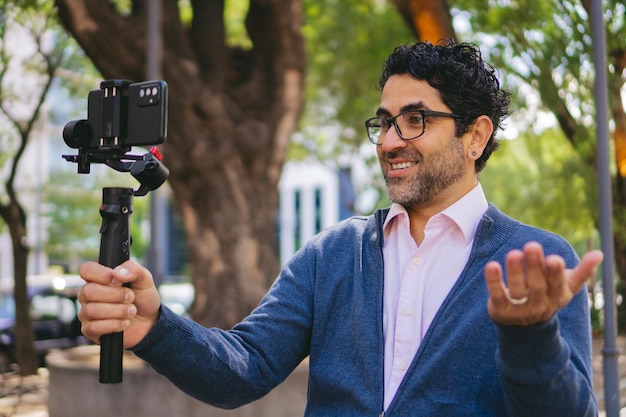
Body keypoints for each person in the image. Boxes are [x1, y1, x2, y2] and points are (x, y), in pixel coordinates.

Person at [77, 40, 603, 416]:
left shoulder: (536, 259)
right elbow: (243, 369)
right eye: (384, 122)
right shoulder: (333, 253)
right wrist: (152, 326)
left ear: (475, 136)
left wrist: (531, 336)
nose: (390, 141)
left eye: (415, 120)